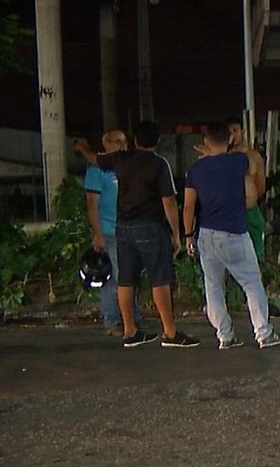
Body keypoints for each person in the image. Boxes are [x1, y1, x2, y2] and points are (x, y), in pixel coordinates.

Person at [74, 121, 199, 348]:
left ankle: (129, 330)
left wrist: (82, 148)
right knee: (159, 279)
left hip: (124, 228)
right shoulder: (159, 164)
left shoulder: (121, 159)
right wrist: (175, 233)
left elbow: (95, 158)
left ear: (134, 141)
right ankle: (170, 332)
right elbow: (169, 201)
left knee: (126, 279)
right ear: (157, 141)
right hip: (150, 226)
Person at [184, 121, 280, 350]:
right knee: (251, 283)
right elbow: (253, 167)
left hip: (206, 234)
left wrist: (188, 235)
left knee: (213, 287)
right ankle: (263, 333)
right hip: (234, 232)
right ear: (229, 140)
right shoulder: (238, 161)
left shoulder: (195, 170)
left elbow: (189, 208)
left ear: (205, 142)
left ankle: (225, 335)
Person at [225, 117, 280, 319]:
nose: (233, 135)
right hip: (227, 214)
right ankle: (229, 299)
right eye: (229, 131)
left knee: (255, 256)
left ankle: (258, 301)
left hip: (249, 212)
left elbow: (260, 187)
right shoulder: (219, 158)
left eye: (236, 130)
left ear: (242, 131)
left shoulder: (253, 156)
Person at [83, 129, 144, 335]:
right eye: (116, 142)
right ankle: (113, 320)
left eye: (124, 142)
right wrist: (98, 233)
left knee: (129, 274)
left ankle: (133, 317)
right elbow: (92, 204)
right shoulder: (97, 171)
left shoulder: (125, 166)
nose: (121, 146)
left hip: (128, 228)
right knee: (115, 277)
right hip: (110, 230)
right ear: (106, 143)